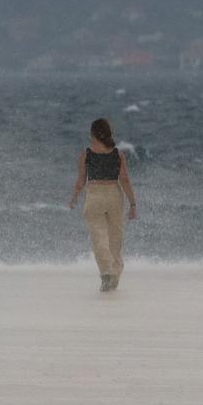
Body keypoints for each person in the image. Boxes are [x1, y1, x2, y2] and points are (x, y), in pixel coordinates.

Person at [69, 117, 138, 291]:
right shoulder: (117, 153)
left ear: (92, 134)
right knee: (116, 238)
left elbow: (80, 182)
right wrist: (133, 203)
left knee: (99, 237)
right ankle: (114, 274)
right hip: (114, 195)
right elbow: (125, 180)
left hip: (95, 196)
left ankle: (105, 273)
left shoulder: (87, 153)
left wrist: (74, 198)